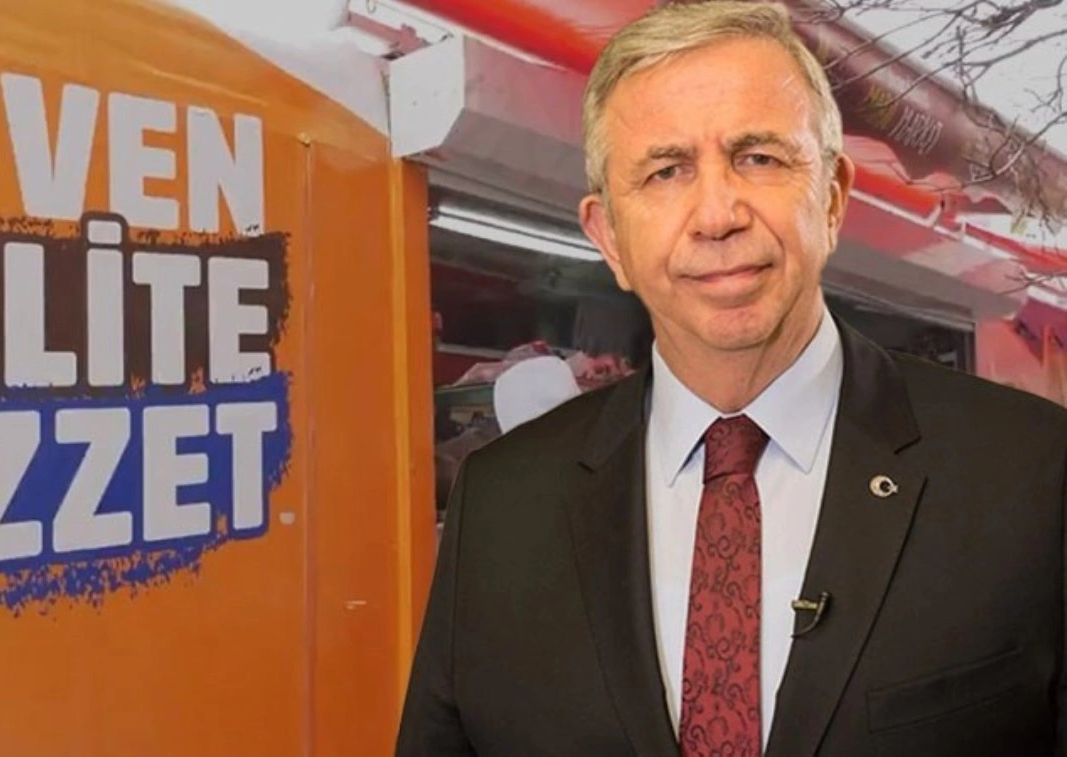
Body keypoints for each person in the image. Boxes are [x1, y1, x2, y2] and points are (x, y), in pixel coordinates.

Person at [396, 2, 1067, 755]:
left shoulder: (1036, 475)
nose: (716, 214)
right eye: (665, 171)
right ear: (608, 236)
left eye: (759, 158)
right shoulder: (501, 505)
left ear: (832, 197)